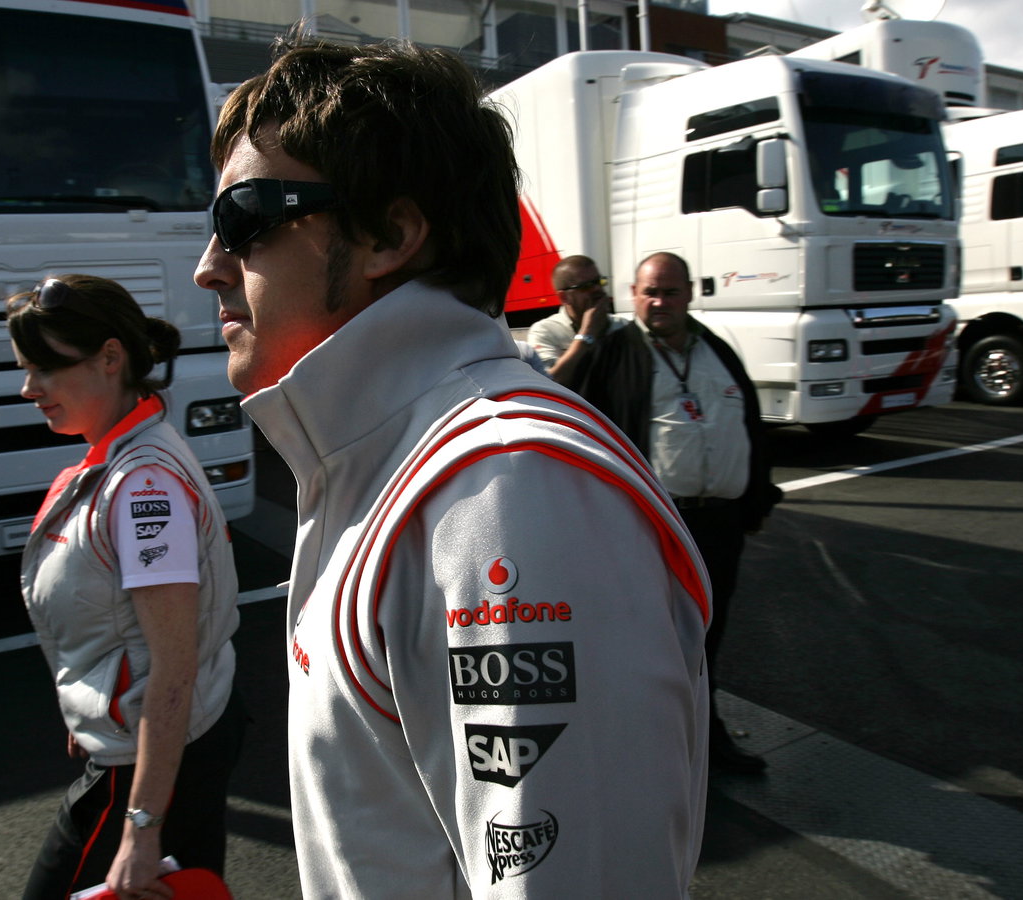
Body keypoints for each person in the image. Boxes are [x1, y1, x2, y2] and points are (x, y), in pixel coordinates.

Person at [193, 39, 710, 897]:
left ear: (390, 235)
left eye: (244, 218)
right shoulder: (385, 460)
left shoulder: (506, 487)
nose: (210, 265)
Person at [8, 274, 246, 900]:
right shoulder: (121, 458)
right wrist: (93, 692)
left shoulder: (143, 485)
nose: (29, 389)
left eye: (45, 369)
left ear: (110, 358)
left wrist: (141, 826)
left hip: (144, 763)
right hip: (154, 742)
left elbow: (173, 665)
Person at [575, 252, 782, 775]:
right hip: (655, 528)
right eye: (650, 292)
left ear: (690, 293)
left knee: (707, 637)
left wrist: (755, 498)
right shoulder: (617, 351)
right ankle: (645, 749)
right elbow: (583, 428)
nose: (659, 302)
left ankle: (706, 744)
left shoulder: (716, 350)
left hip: (719, 523)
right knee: (648, 640)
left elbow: (749, 425)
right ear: (633, 293)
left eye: (669, 292)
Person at [524, 255, 620, 387]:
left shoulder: (621, 326)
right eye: (586, 286)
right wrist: (586, 335)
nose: (597, 289)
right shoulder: (544, 331)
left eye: (599, 282)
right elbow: (550, 383)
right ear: (564, 297)